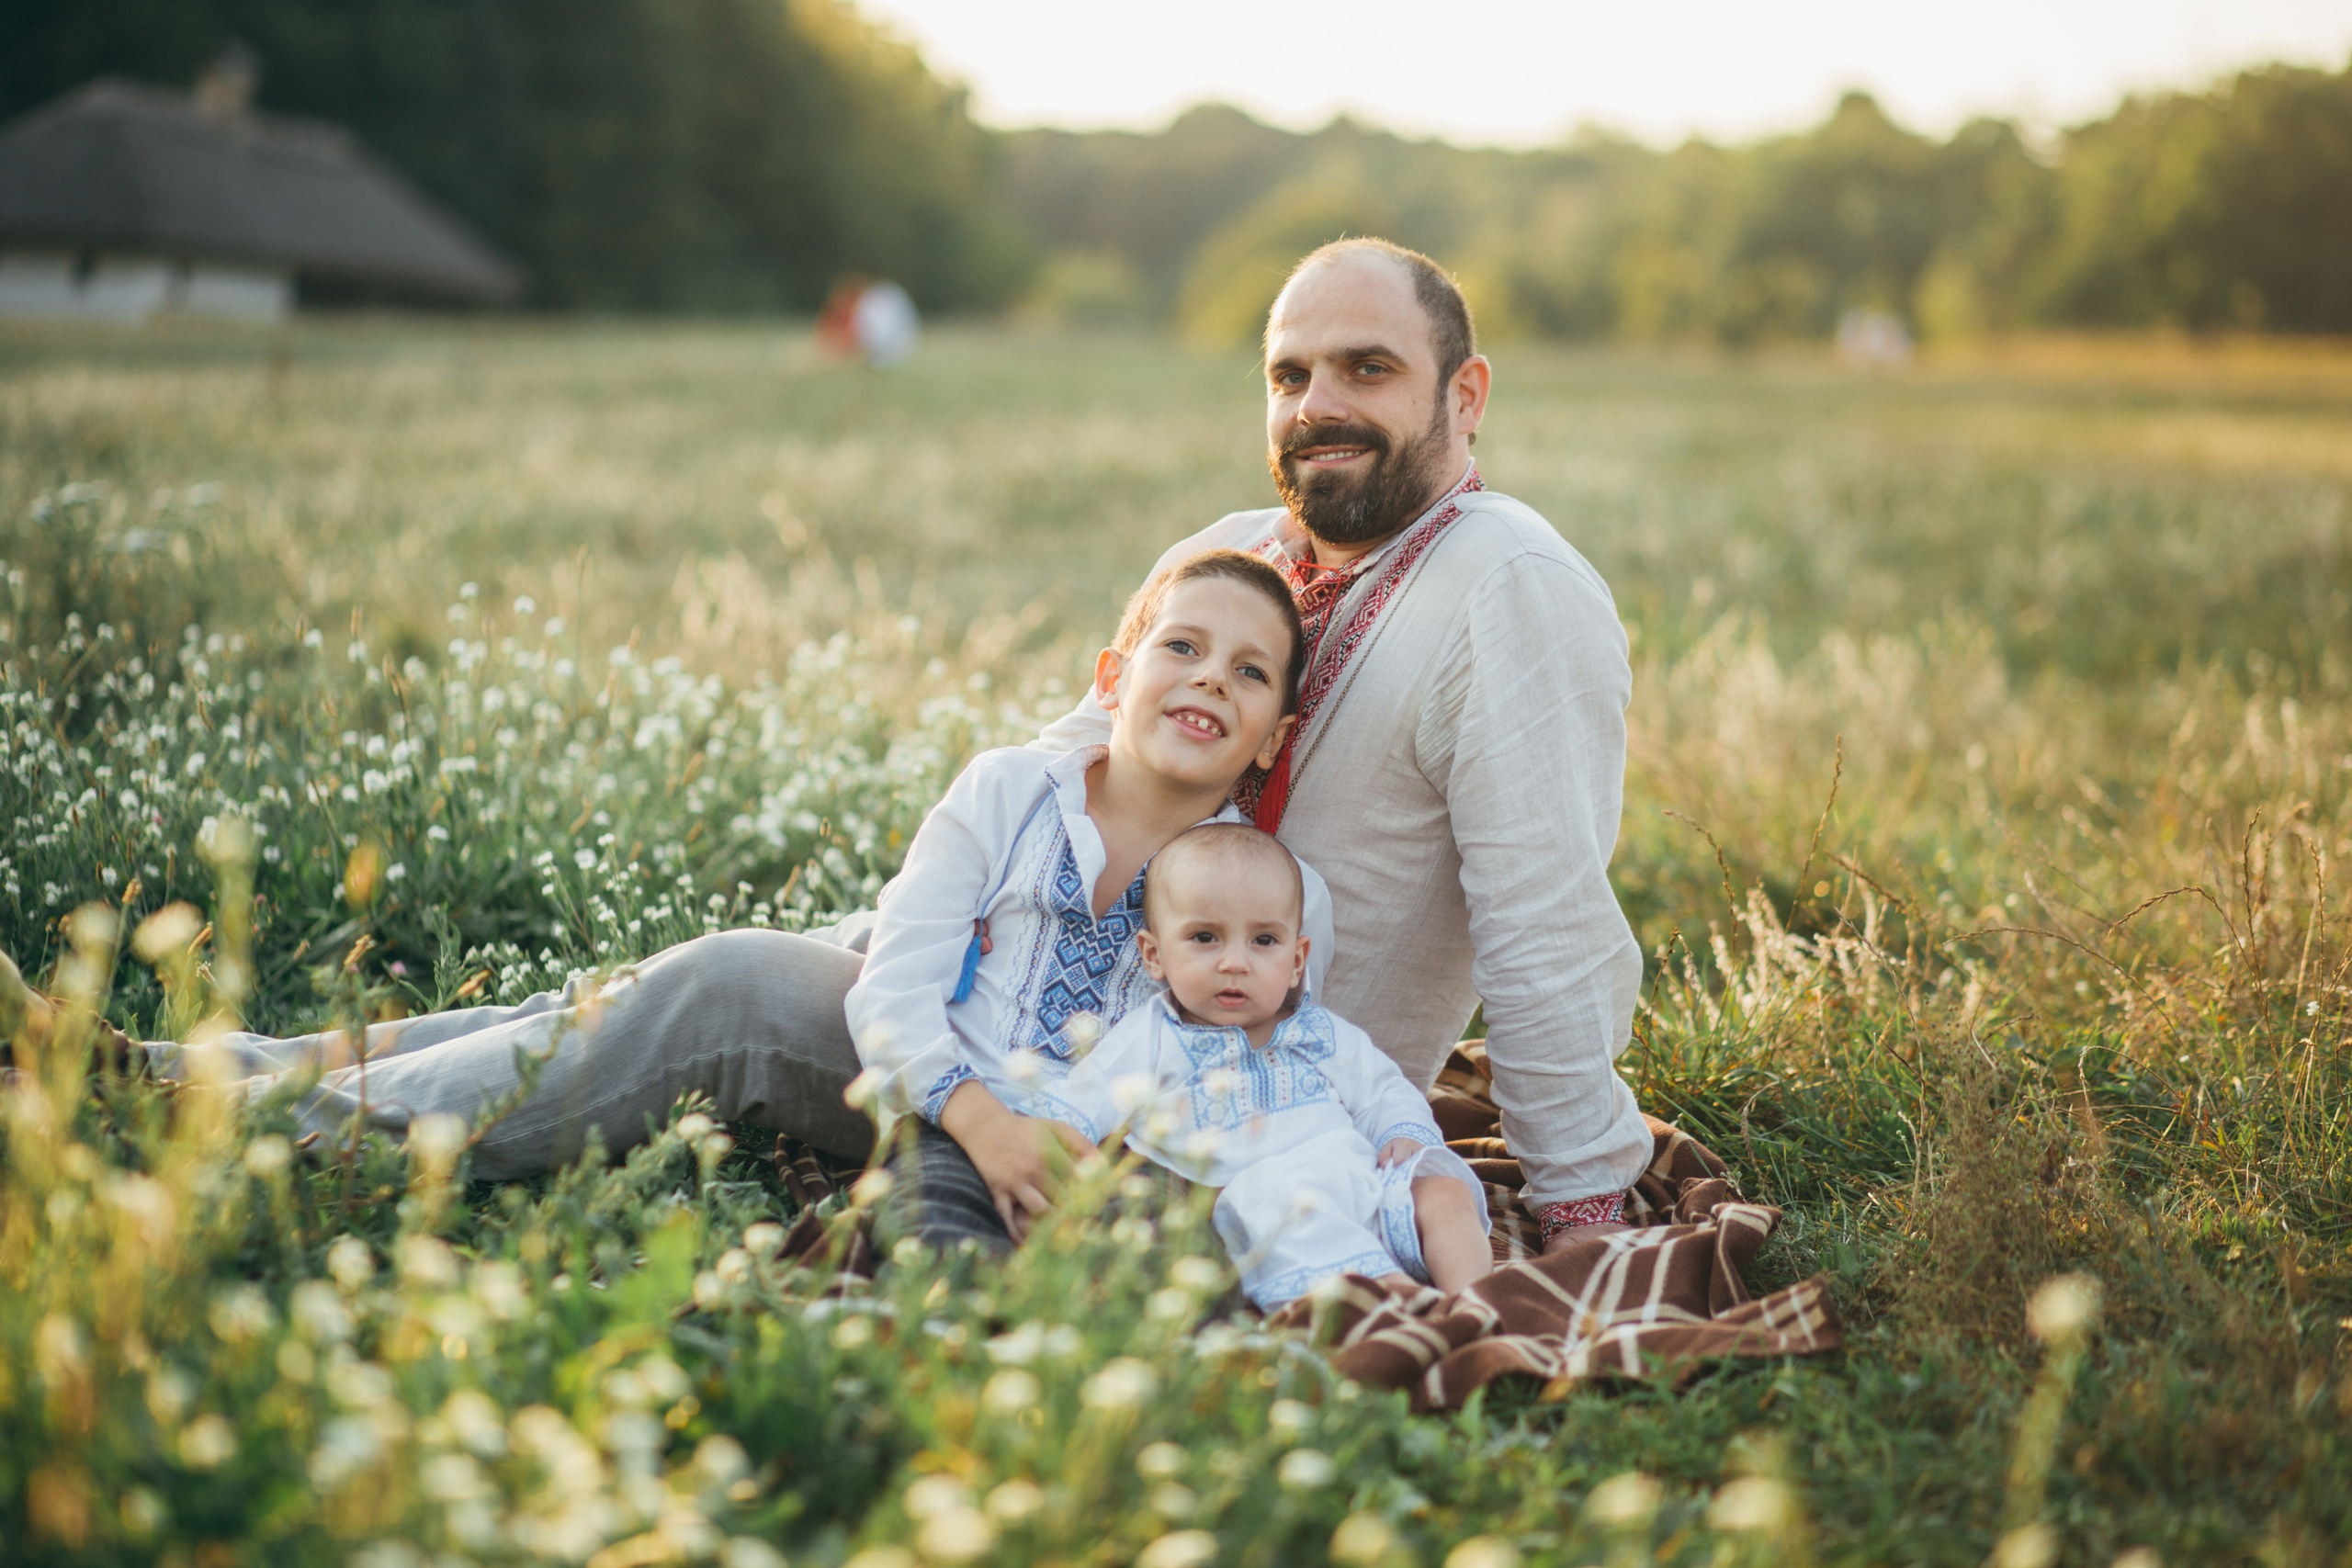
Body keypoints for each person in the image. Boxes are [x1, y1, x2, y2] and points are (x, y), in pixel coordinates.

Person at [1035, 238, 1650, 1252]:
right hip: (1022, 1002)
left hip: (1245, 1116)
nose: (1317, 404)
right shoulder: (1231, 552)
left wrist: (1580, 1210)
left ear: (1466, 394)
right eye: (1289, 375)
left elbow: (1546, 923)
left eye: (1367, 368)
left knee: (713, 992)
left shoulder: (1509, 581)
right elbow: (1057, 774)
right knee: (744, 980)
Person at [1019, 822, 1491, 1308]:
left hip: (1359, 1183)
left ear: (1296, 960)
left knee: (1443, 1187)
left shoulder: (1322, 1033)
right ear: (1154, 955)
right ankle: (1405, 1306)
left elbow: (1381, 1090)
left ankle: (1477, 1304)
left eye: (1264, 941)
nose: (1235, 963)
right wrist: (1041, 1142)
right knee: (1284, 1204)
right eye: (1206, 937)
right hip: (1265, 1204)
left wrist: (1403, 1130)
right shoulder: (1154, 1037)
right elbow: (1087, 1095)